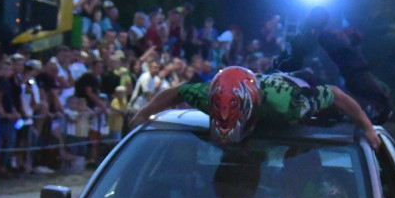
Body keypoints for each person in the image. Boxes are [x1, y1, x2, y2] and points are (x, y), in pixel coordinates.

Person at [130, 65, 381, 149]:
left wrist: (367, 127)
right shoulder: (210, 94)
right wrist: (143, 114)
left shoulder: (289, 106)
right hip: (262, 79)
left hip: (300, 82)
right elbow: (176, 92)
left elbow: (336, 94)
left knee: (362, 111)